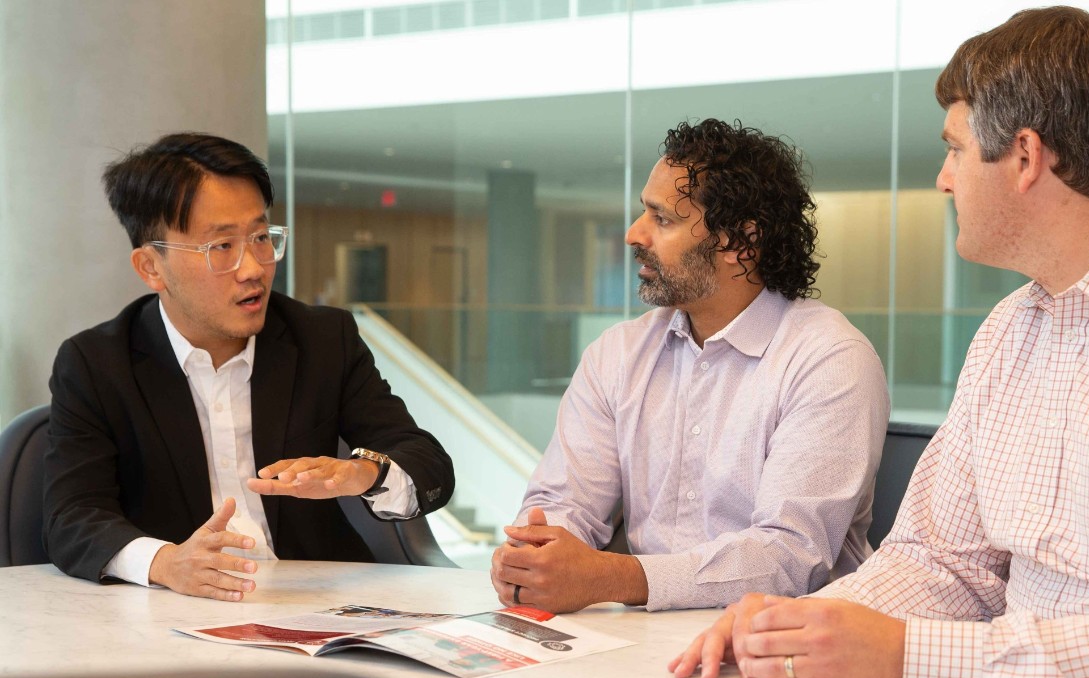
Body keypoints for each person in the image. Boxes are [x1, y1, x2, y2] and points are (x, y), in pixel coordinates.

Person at [669, 7, 1089, 678]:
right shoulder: (1010, 329)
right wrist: (800, 626)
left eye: (955, 149)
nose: (943, 179)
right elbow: (942, 562)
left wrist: (906, 658)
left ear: (1024, 156)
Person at [489, 119, 889, 613]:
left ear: (741, 240)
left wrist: (611, 577)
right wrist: (539, 556)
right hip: (639, 641)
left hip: (778, 645)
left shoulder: (830, 359)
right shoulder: (618, 353)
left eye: (663, 219)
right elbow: (563, 503)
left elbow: (790, 556)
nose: (634, 234)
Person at [44, 133, 454, 601]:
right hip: (174, 613)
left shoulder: (322, 339)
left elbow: (429, 466)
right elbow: (70, 516)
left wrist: (364, 473)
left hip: (315, 607)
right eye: (222, 246)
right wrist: (166, 563)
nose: (253, 268)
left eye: (261, 237)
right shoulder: (97, 363)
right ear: (151, 267)